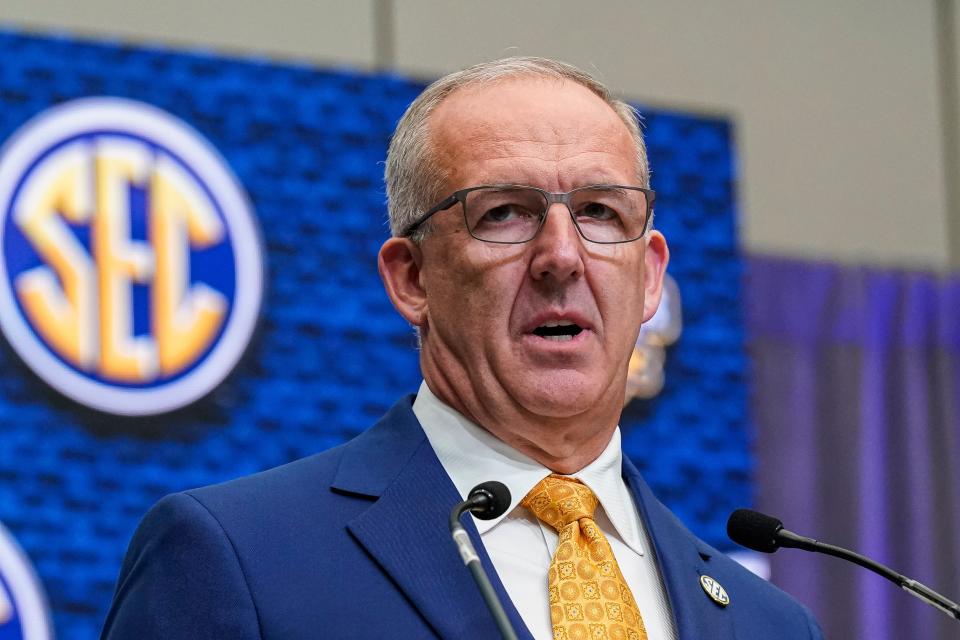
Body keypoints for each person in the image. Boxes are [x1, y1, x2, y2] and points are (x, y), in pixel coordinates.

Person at [101, 57, 823, 640]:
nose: (562, 256)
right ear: (411, 277)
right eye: (505, 213)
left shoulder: (771, 623)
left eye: (602, 212)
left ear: (651, 279)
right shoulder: (240, 558)